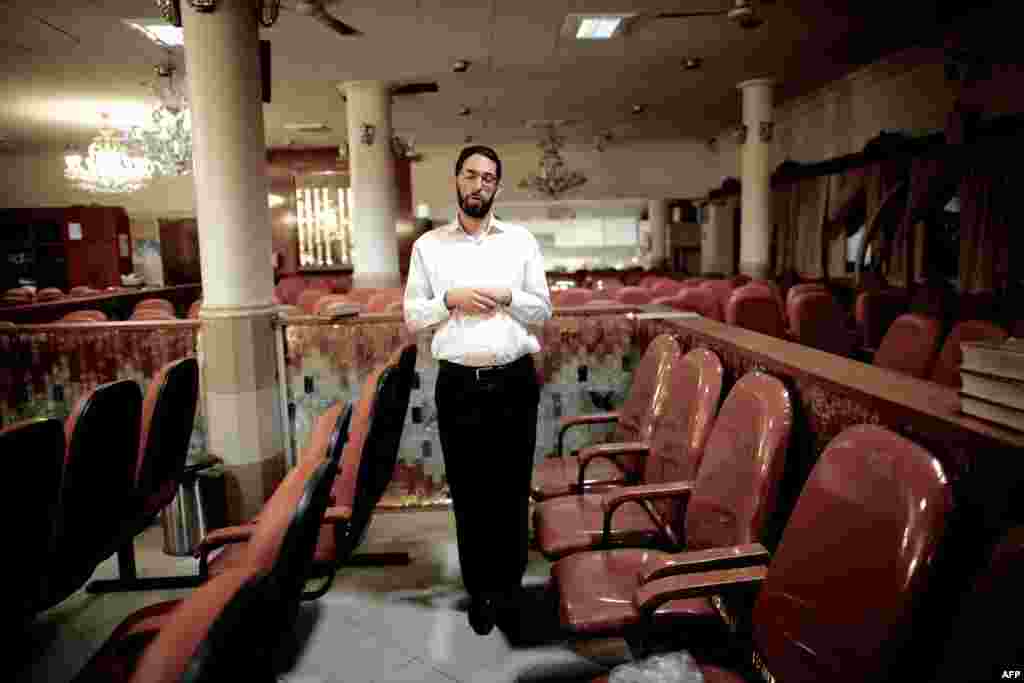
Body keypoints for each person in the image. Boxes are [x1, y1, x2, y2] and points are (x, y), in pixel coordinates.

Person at [403, 145, 552, 638]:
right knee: (470, 494)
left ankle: (510, 592)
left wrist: (509, 297)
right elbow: (412, 317)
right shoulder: (428, 247)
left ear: (497, 188)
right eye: (471, 175)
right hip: (459, 384)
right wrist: (450, 300)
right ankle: (481, 593)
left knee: (510, 492)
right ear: (456, 181)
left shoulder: (522, 242)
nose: (479, 185)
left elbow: (543, 312)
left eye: (488, 178)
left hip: (513, 379)